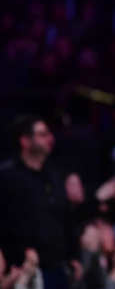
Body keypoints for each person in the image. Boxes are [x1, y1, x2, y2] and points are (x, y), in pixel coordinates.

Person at [0, 115, 72, 288]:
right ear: (25, 141)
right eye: (43, 134)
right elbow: (6, 220)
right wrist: (22, 249)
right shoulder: (8, 177)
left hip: (58, 265)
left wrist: (73, 256)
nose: (50, 138)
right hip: (23, 266)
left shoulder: (54, 176)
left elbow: (65, 217)